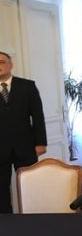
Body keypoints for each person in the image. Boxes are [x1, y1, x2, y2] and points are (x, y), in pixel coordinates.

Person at [0, 51, 47, 213]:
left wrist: (40, 142)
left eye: (2, 62)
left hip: (26, 146)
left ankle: (33, 216)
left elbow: (38, 116)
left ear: (11, 65)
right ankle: (5, 221)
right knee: (1, 189)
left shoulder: (27, 86)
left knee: (30, 184)